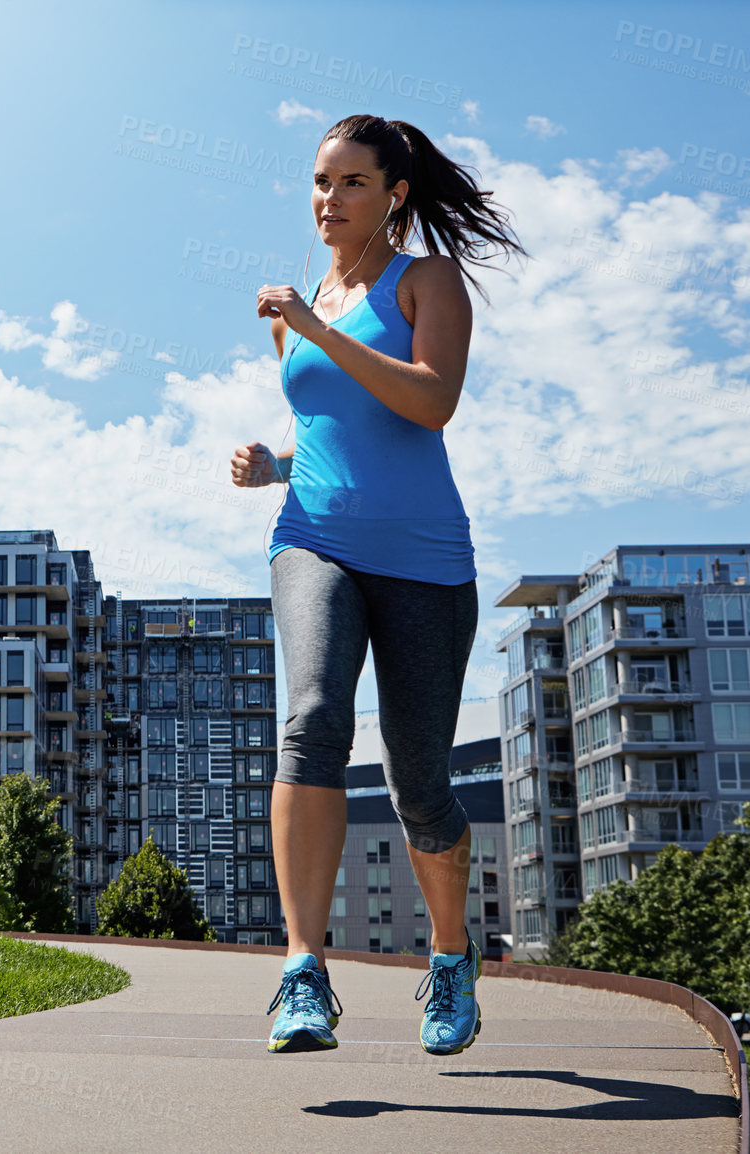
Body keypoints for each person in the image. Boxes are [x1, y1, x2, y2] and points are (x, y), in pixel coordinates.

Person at [230, 113, 527, 1056]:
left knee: (419, 783)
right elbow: (328, 430)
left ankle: (449, 955)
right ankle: (303, 971)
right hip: (311, 536)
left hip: (426, 559)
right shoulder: (301, 305)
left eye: (352, 183)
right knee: (314, 715)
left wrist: (313, 324)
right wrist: (271, 466)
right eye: (321, 181)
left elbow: (429, 399)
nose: (329, 199)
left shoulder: (427, 281)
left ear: (394, 194)